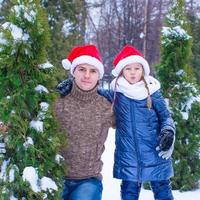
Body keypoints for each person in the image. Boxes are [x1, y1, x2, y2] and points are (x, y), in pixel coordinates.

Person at [109, 45, 175, 200]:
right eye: (128, 69)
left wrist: (168, 131)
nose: (133, 72)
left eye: (137, 68)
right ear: (121, 72)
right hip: (128, 156)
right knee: (129, 193)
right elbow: (91, 94)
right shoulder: (116, 93)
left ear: (143, 70)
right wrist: (72, 85)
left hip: (155, 152)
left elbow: (166, 117)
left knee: (162, 191)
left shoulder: (152, 92)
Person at [54, 44, 114, 200]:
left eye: (93, 71)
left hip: (88, 181)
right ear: (73, 71)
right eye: (82, 69)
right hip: (54, 176)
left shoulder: (106, 105)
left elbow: (136, 120)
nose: (87, 75)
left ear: (99, 76)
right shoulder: (57, 100)